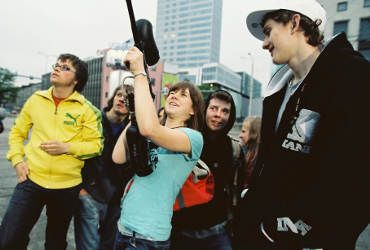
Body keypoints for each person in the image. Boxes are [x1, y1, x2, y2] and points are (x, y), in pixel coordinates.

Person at [238, 0, 370, 249]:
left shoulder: (353, 76)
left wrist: (305, 231)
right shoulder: (279, 92)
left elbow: (357, 177)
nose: (264, 43)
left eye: (268, 31)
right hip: (265, 236)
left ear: (294, 23)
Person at [0, 53, 103, 250]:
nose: (57, 68)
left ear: (76, 80)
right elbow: (17, 133)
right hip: (31, 180)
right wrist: (17, 160)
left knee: (55, 243)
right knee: (8, 239)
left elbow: (95, 146)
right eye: (57, 65)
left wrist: (68, 148)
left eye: (65, 68)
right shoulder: (35, 100)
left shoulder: (87, 110)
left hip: (67, 187)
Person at [111, 46, 204, 250]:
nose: (173, 96)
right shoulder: (153, 130)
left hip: (149, 236)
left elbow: (150, 129)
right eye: (172, 93)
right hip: (124, 226)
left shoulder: (193, 139)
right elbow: (118, 157)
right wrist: (136, 114)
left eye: (183, 95)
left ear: (193, 110)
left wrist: (140, 74)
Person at [171, 90, 243, 250]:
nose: (219, 115)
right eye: (214, 108)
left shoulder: (234, 149)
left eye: (225, 111)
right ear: (205, 110)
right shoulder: (186, 139)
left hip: (218, 231)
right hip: (182, 232)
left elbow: (235, 189)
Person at [74, 84, 134, 250]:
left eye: (127, 98)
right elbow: (76, 152)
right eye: (119, 95)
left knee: (109, 245)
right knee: (89, 246)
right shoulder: (94, 120)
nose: (122, 99)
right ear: (113, 98)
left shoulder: (130, 132)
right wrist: (81, 190)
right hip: (89, 195)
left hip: (115, 200)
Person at [238, 116, 261, 190]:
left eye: (243, 131)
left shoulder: (255, 159)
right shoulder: (246, 152)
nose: (240, 135)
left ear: (254, 134)